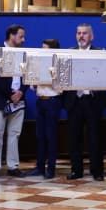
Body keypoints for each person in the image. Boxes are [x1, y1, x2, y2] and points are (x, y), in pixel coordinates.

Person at [64, 24, 106, 181]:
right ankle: (76, 170)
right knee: (74, 138)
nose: (81, 36)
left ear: (91, 36)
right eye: (78, 33)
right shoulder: (69, 53)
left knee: (95, 137)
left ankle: (97, 171)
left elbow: (105, 75)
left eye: (84, 33)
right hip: (75, 101)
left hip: (93, 100)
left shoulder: (99, 54)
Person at [0, 25, 28, 178]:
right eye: (21, 36)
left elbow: (30, 73)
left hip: (19, 100)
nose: (23, 40)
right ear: (11, 35)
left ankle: (13, 166)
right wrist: (10, 95)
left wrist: (22, 91)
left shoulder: (24, 53)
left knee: (14, 134)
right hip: (0, 100)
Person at [33, 38, 62, 179]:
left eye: (45, 49)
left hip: (52, 101)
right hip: (40, 101)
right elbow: (33, 83)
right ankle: (39, 167)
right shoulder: (38, 63)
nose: (42, 51)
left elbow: (60, 86)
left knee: (51, 136)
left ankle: (51, 168)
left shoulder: (59, 65)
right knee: (40, 136)